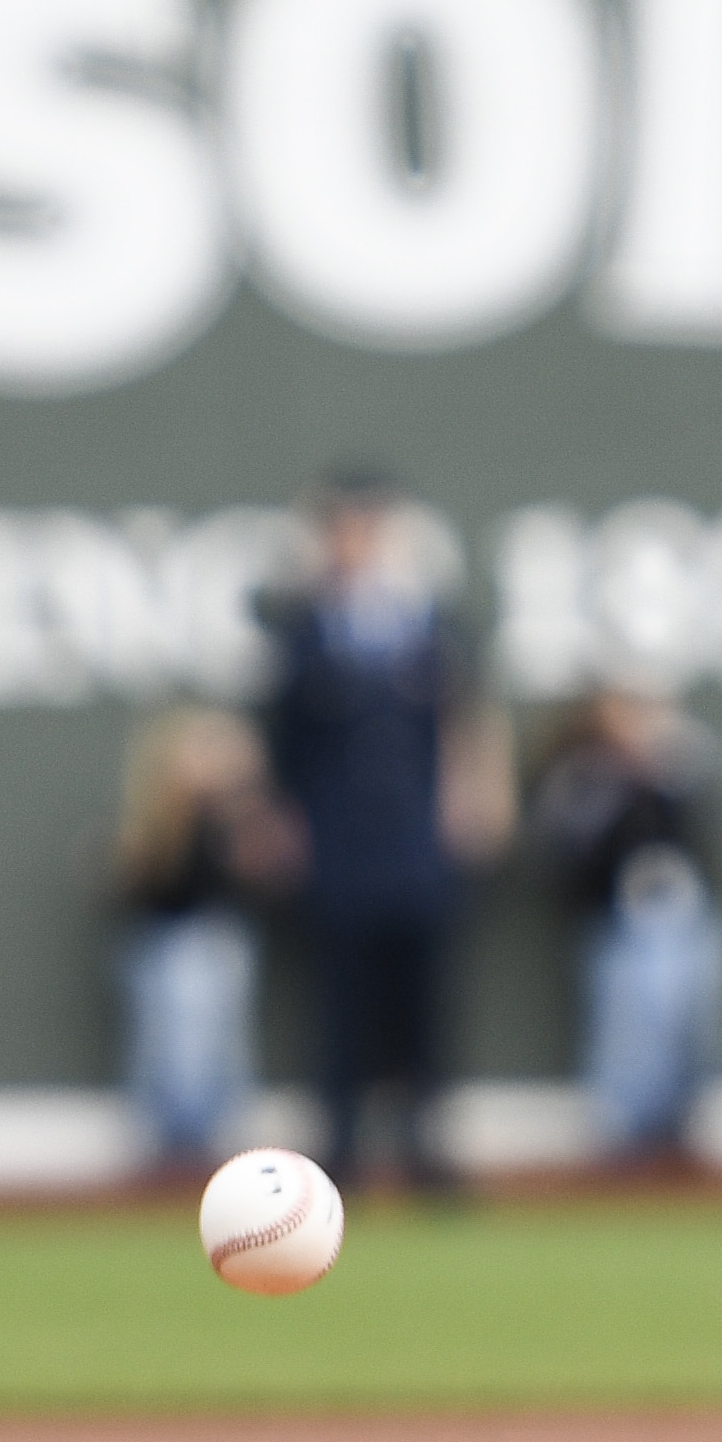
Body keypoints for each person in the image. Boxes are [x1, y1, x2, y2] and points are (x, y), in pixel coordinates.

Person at [261, 473, 510, 1196]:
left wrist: (476, 797)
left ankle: (425, 1145)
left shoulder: (432, 623)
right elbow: (281, 742)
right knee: (340, 1001)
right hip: (339, 843)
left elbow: (468, 720)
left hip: (417, 841)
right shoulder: (302, 629)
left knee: (424, 1000)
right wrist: (282, 822)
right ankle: (338, 1150)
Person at [531, 686, 722, 1172]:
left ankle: (682, 1131)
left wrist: (663, 769)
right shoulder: (581, 775)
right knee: (626, 1031)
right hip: (615, 920)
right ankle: (623, 1141)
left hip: (683, 914)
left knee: (694, 1020)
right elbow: (568, 840)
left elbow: (715, 805)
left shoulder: (680, 766)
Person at [109, 704, 296, 1176]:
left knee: (217, 1052)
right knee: (171, 1052)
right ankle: (173, 1153)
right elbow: (140, 884)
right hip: (169, 941)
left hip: (220, 940)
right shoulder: (158, 821)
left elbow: (267, 876)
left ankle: (210, 1153)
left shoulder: (238, 817)